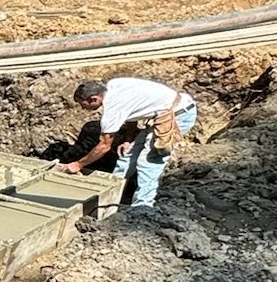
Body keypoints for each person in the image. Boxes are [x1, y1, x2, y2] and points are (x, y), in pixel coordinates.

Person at [62, 76, 198, 209]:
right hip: (161, 113)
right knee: (127, 158)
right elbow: (132, 112)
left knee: (149, 162)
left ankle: (142, 207)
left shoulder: (112, 109)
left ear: (94, 99)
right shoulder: (115, 84)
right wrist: (128, 140)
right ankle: (108, 197)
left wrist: (79, 164)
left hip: (179, 113)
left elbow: (104, 146)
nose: (82, 108)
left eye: (82, 104)